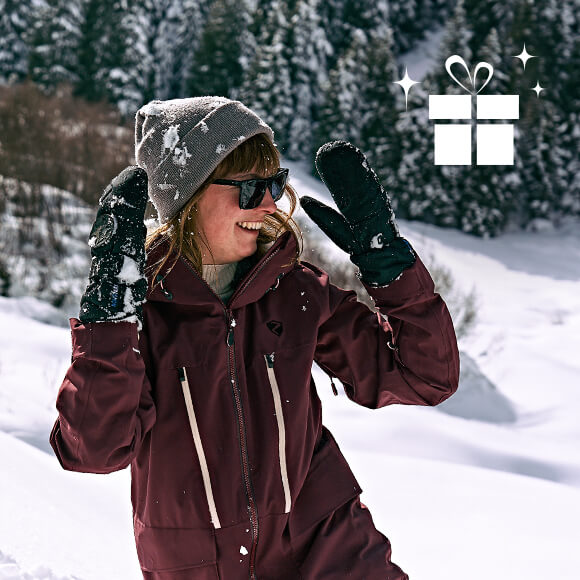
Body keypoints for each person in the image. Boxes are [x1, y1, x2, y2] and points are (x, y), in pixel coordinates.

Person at [50, 96, 460, 580]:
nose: (268, 204)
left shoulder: (295, 290)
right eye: (248, 188)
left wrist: (387, 263)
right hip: (201, 566)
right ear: (189, 196)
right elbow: (93, 451)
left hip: (331, 550)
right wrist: (109, 322)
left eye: (274, 184)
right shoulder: (143, 317)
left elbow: (425, 377)